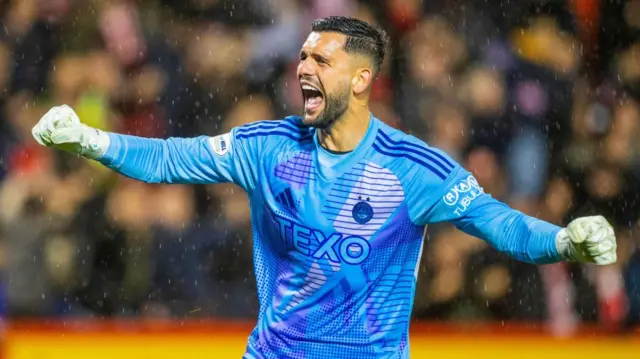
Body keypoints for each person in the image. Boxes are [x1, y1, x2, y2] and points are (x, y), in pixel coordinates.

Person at [32, 16, 616, 359]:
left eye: (321, 59)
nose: (303, 67)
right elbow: (168, 159)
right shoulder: (268, 147)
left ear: (362, 79)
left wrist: (565, 241)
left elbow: (501, 224)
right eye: (303, 55)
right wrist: (88, 138)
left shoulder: (412, 168)